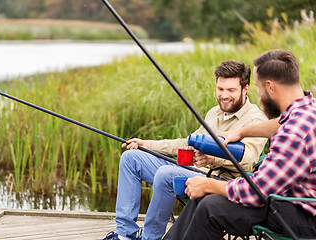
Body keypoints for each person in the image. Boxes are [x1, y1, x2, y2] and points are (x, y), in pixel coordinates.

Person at [103, 60, 268, 240]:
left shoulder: (256, 119)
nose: (224, 95)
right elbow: (189, 143)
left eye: (231, 90)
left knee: (166, 174)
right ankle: (124, 235)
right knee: (131, 158)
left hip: (221, 182)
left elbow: (250, 158)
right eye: (220, 89)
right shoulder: (214, 113)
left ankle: (150, 238)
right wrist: (149, 144)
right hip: (195, 171)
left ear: (245, 89)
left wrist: (214, 159)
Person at [163, 49, 316, 240]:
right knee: (206, 198)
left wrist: (209, 184)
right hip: (291, 202)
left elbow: (257, 190)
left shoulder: (294, 133)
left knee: (212, 207)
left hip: (302, 215)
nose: (259, 97)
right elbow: (278, 123)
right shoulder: (308, 109)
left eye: (259, 88)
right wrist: (240, 132)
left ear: (270, 87)